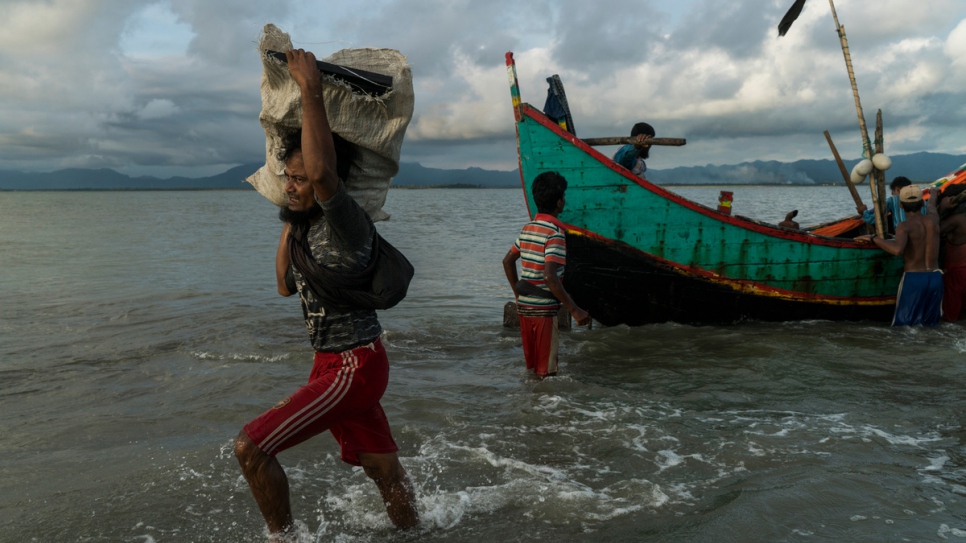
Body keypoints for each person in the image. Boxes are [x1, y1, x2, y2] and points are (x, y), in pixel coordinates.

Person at [234, 49, 418, 541]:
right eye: (287, 178)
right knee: (384, 471)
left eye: (300, 179)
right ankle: (417, 532)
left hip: (354, 364)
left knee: (251, 447)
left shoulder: (348, 224)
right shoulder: (304, 230)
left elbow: (322, 175)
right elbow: (282, 285)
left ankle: (284, 539)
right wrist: (288, 210)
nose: (293, 185)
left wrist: (311, 90)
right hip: (334, 362)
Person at [503, 171, 591, 378]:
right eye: (564, 197)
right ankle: (544, 408)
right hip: (543, 312)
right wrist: (575, 309)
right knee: (547, 373)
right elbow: (550, 277)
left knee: (532, 369)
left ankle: (529, 407)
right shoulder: (555, 234)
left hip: (525, 308)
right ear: (559, 202)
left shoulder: (528, 228)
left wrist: (518, 296)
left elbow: (507, 261)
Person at [858, 185, 943, 326]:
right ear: (922, 203)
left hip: (914, 278)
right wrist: (933, 191)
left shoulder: (904, 226)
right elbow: (932, 203)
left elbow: (897, 250)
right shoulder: (933, 219)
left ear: (901, 206)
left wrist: (874, 238)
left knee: (905, 327)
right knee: (930, 325)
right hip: (935, 278)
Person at [859, 176, 925, 235]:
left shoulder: (893, 200)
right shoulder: (923, 201)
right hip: (921, 235)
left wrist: (864, 212)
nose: (892, 194)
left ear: (898, 190)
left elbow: (874, 218)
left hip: (901, 236)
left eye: (893, 191)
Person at [938, 185, 966, 321]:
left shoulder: (957, 220)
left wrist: (942, 208)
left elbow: (932, 230)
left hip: (957, 276)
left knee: (949, 320)